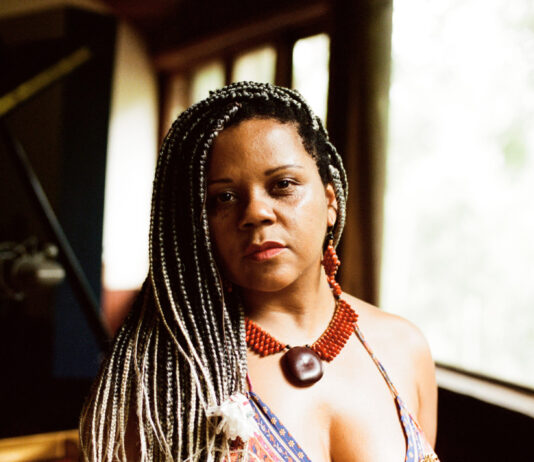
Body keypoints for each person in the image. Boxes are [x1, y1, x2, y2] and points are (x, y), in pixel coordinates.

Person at [80, 82, 439, 462]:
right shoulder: (161, 379)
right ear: (198, 223)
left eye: (283, 185)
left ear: (330, 201)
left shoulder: (404, 347)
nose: (255, 212)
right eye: (224, 197)